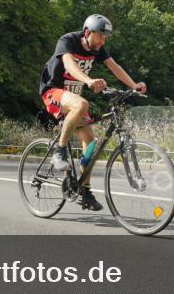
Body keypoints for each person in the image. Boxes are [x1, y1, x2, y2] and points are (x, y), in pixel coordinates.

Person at [39, 14, 146, 212]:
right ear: (88, 32)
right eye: (100, 36)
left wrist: (134, 86)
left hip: (73, 98)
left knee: (91, 143)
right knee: (82, 104)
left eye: (105, 37)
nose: (103, 40)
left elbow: (115, 67)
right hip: (53, 92)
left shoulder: (98, 49)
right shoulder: (68, 41)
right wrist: (88, 80)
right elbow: (70, 65)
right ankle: (59, 151)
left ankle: (84, 191)